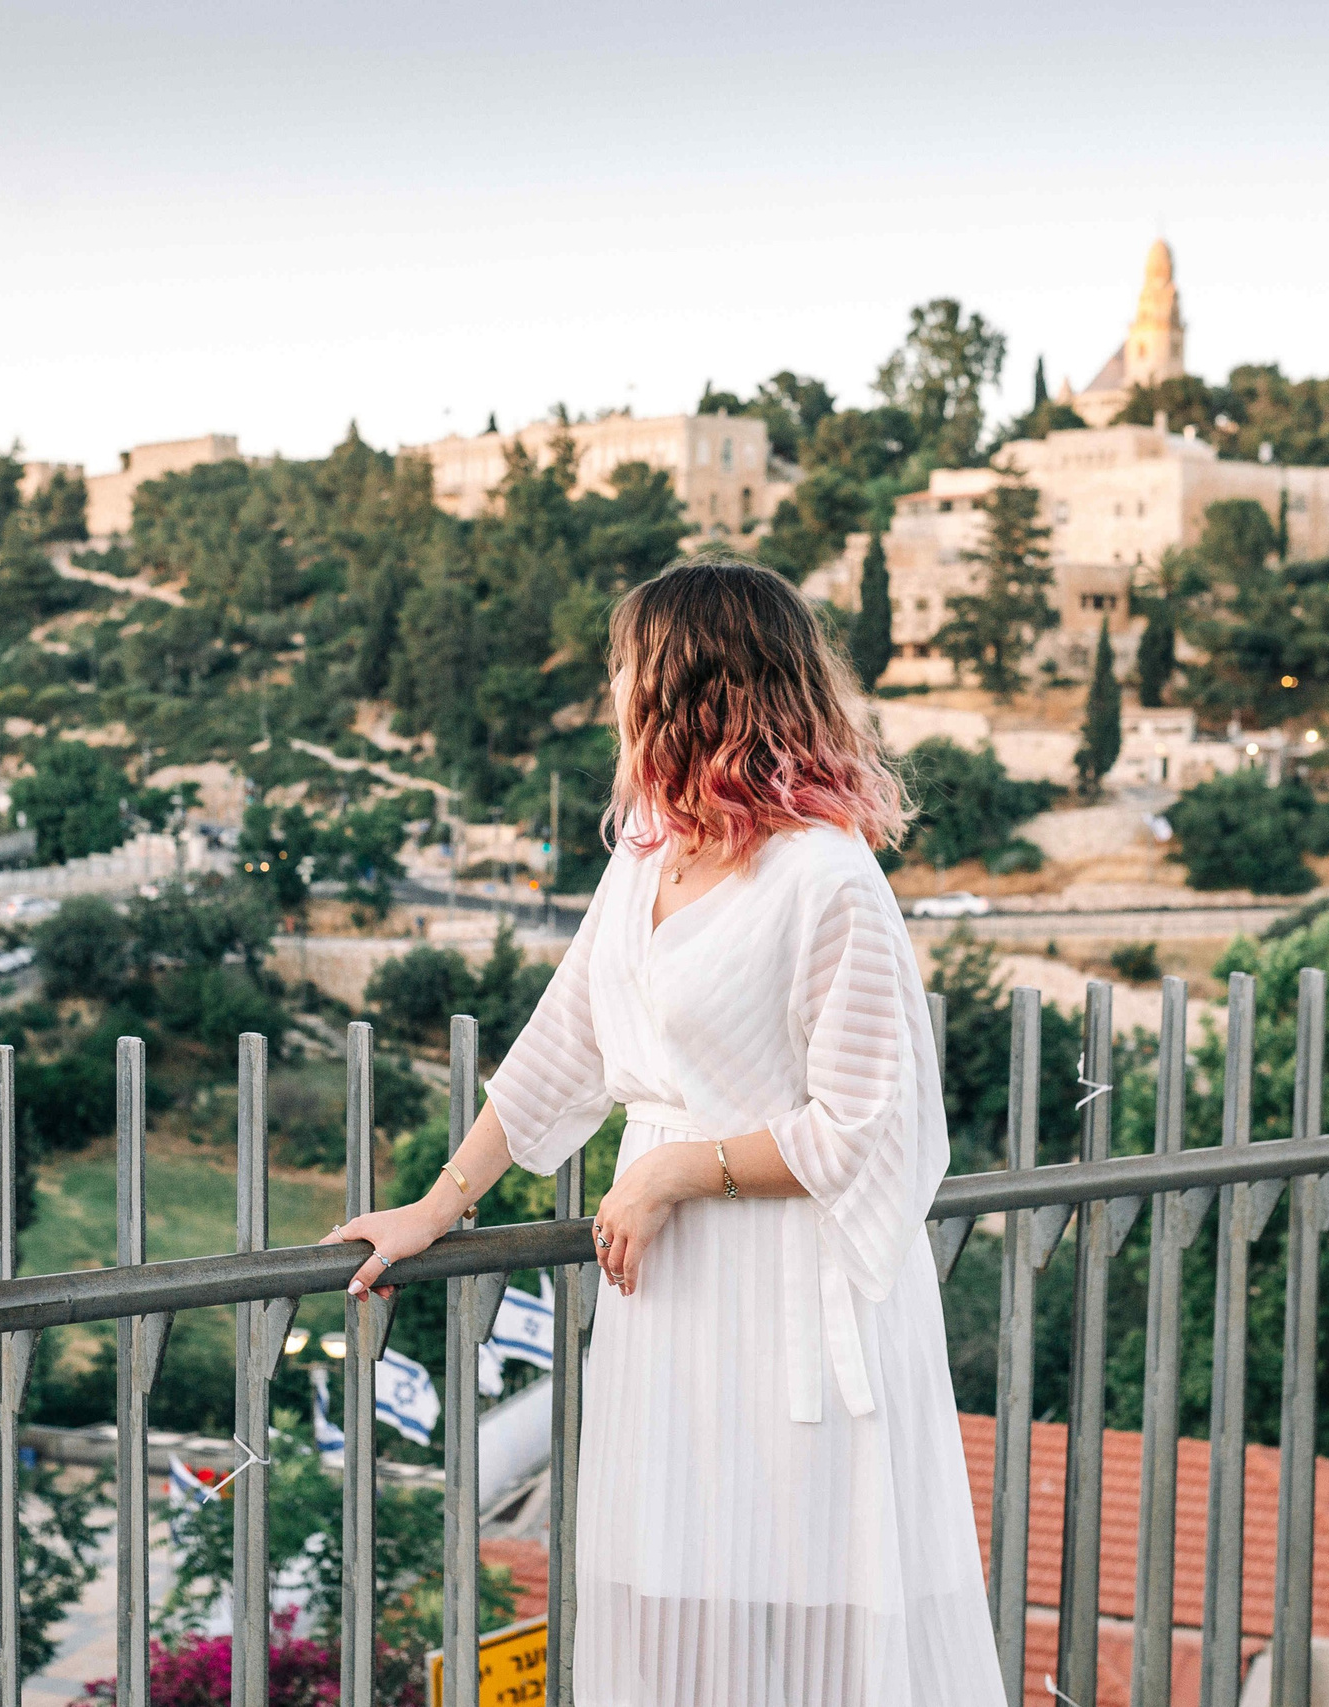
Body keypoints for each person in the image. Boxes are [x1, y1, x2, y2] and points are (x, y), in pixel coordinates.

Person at [325, 555, 1007, 1705]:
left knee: (799, 1605)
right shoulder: (645, 852)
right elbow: (562, 1046)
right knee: (669, 1587)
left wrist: (673, 1174)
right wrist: (437, 1206)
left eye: (629, 671)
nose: (613, 696)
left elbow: (861, 1128)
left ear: (698, 689)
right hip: (669, 1299)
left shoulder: (827, 880)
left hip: (780, 1280)